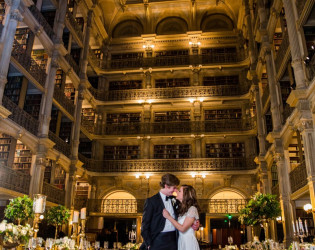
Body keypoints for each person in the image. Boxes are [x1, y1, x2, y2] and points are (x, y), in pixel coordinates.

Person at [140, 174, 199, 250]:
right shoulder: (151, 201)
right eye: (174, 188)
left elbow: (189, 212)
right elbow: (145, 225)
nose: (175, 190)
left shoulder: (176, 200)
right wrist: (148, 244)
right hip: (157, 240)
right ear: (166, 186)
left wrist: (196, 223)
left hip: (174, 240)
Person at [163, 185, 200, 250]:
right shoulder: (181, 207)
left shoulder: (192, 209)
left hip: (188, 242)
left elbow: (183, 229)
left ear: (185, 195)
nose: (176, 191)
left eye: (179, 191)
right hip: (180, 241)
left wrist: (168, 216)